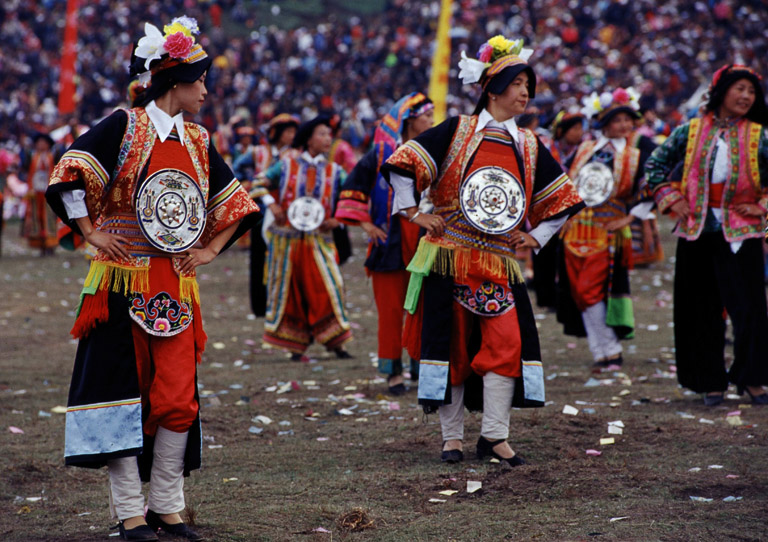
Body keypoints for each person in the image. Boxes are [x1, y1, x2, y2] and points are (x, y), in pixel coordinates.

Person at [45, 16, 259, 541]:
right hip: (120, 281)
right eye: (200, 81)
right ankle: (129, 513)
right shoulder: (123, 124)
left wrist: (209, 249)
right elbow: (67, 174)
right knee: (124, 393)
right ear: (173, 83)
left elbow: (238, 205)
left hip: (175, 284)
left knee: (178, 397)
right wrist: (91, 232)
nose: (206, 92)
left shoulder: (199, 139)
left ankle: (167, 505)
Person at [381, 35, 584, 465]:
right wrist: (415, 214)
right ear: (492, 88)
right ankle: (451, 437)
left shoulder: (528, 145)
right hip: (448, 255)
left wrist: (536, 236)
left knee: (506, 344)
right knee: (450, 346)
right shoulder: (456, 130)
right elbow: (403, 163)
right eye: (517, 83)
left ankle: (494, 435)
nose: (525, 92)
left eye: (529, 85)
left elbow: (564, 199)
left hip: (499, 262)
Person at [645, 64, 768, 406]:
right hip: (696, 231)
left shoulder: (759, 135)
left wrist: (763, 204)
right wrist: (671, 198)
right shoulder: (691, 131)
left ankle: (753, 379)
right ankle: (710, 380)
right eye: (739, 88)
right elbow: (654, 166)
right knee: (700, 308)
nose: (746, 96)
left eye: (752, 91)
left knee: (749, 309)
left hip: (741, 233)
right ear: (722, 91)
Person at [335, 92, 434, 395]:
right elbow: (352, 187)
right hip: (389, 241)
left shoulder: (433, 151)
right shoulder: (380, 154)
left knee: (422, 307)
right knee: (391, 312)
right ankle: (393, 373)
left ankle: (420, 367)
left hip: (425, 239)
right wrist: (365, 223)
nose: (431, 121)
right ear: (409, 119)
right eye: (427, 115)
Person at [556, 87, 657, 369]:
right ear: (604, 123)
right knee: (579, 291)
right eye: (617, 120)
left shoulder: (636, 155)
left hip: (607, 231)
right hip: (576, 228)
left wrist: (630, 217)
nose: (624, 125)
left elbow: (651, 187)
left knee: (592, 290)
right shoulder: (586, 149)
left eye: (628, 119)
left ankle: (611, 349)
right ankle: (601, 351)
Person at [262, 115, 353, 360]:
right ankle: (295, 345)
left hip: (319, 239)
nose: (327, 139)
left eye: (329, 135)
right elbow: (258, 183)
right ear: (309, 138)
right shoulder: (286, 165)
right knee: (292, 292)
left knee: (330, 286)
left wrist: (339, 219)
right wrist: (272, 204)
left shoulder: (335, 171)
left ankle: (337, 342)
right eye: (322, 134)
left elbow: (351, 196)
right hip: (286, 240)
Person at [233, 113, 300, 317]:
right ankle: (260, 306)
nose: (291, 135)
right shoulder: (257, 152)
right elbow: (237, 169)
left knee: (284, 258)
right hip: (260, 210)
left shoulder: (294, 155)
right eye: (288, 131)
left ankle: (282, 303)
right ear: (277, 133)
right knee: (258, 258)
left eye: (293, 132)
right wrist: (246, 184)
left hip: (285, 212)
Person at [23, 132, 59, 255]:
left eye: (43, 143)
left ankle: (50, 243)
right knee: (36, 217)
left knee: (49, 217)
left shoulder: (51, 157)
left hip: (48, 191)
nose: (41, 145)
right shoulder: (33, 157)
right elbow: (29, 171)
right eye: (39, 143)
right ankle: (40, 244)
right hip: (36, 191)